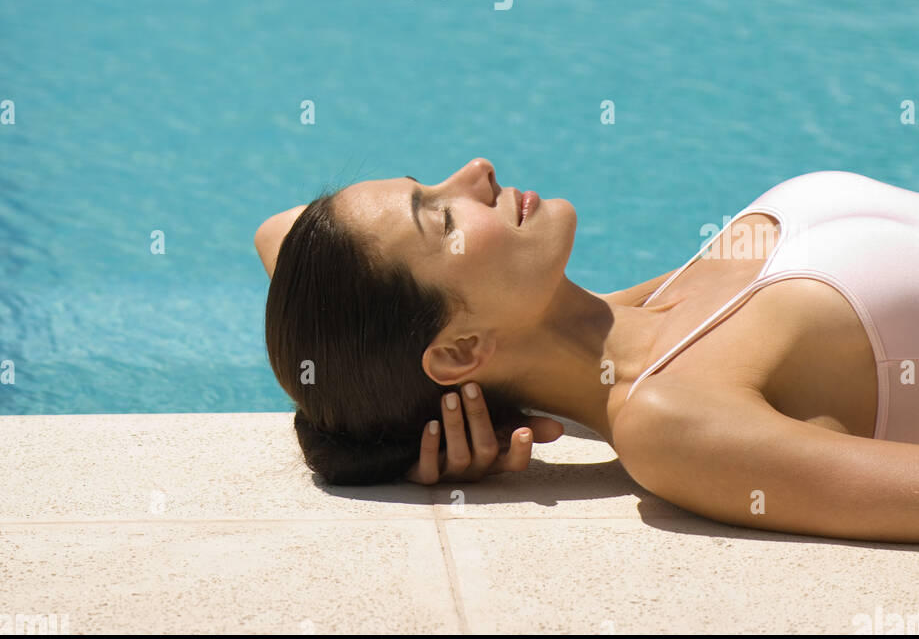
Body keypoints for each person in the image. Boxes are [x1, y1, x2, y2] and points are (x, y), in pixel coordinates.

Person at [258, 159, 919, 542]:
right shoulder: (668, 416)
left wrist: (405, 424)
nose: (476, 171)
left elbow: (281, 234)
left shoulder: (643, 311)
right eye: (442, 216)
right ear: (460, 351)